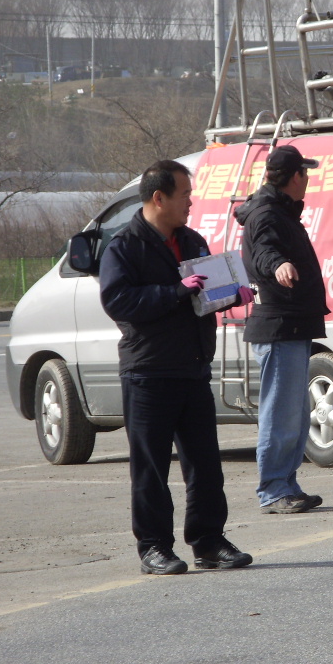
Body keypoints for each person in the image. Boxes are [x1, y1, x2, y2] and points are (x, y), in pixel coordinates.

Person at [99, 159, 254, 575]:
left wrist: (231, 294)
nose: (190, 202)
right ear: (159, 198)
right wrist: (173, 291)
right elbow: (118, 302)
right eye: (185, 194)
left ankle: (209, 541)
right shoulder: (124, 247)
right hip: (149, 372)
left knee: (205, 464)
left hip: (193, 367)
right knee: (151, 468)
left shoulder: (191, 240)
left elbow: (203, 295)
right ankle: (154, 547)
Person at [235, 144, 328, 514]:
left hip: (294, 325)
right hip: (279, 326)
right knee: (280, 415)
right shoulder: (267, 214)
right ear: (295, 177)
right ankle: (273, 490)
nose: (307, 180)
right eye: (305, 173)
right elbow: (263, 251)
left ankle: (286, 484)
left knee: (295, 414)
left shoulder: (281, 211)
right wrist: (278, 265)